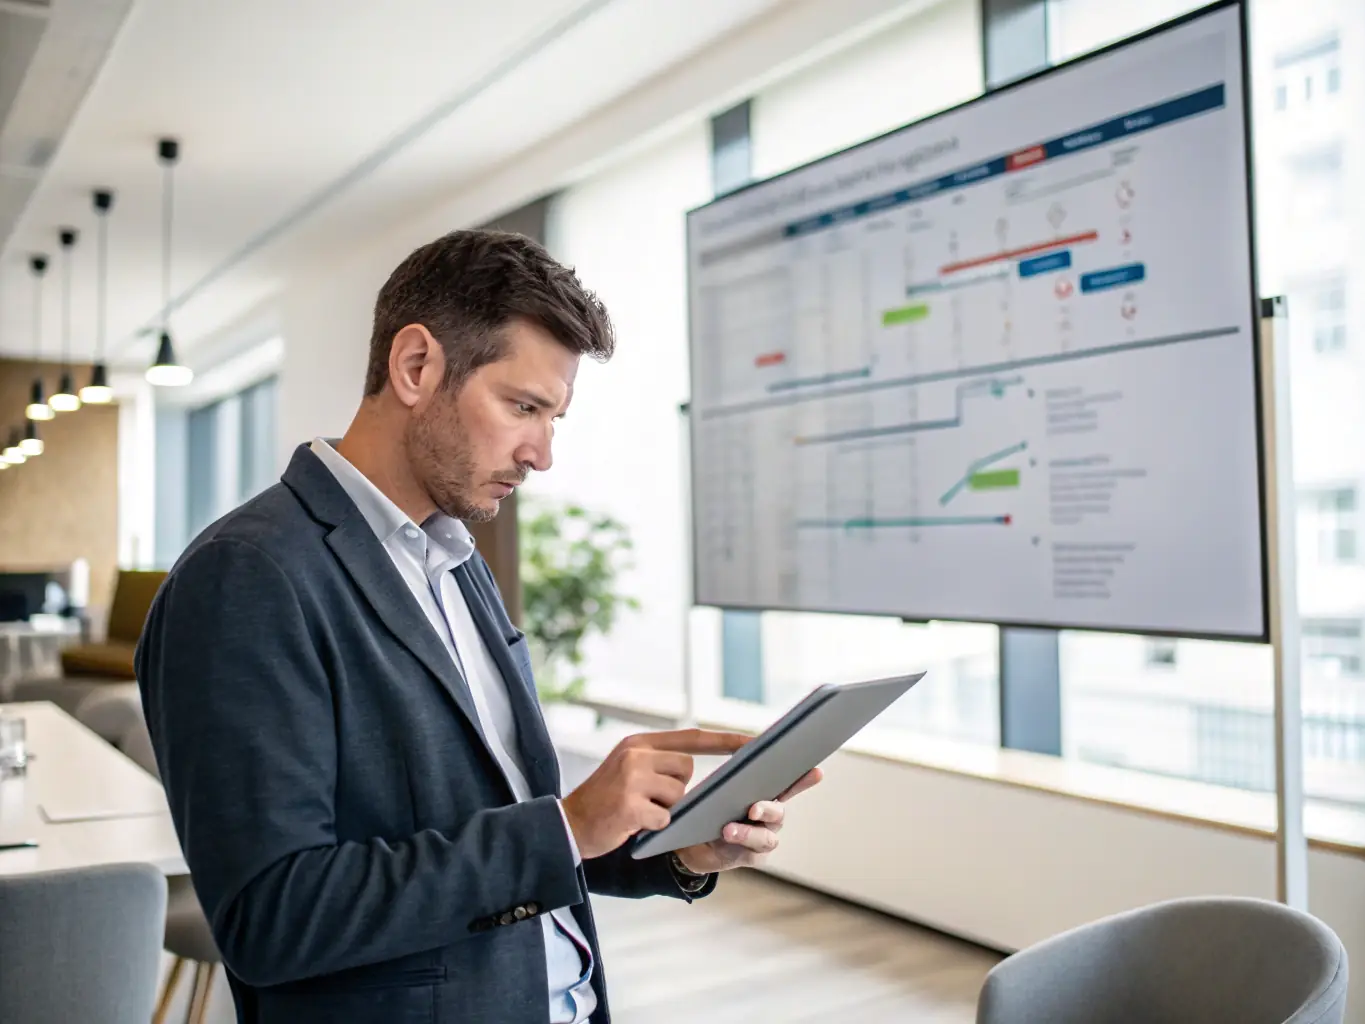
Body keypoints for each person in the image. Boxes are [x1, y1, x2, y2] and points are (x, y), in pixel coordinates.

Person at [135, 229, 821, 1024]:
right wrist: (564, 828)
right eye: (522, 406)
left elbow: (500, 835)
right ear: (416, 366)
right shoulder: (246, 576)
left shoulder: (453, 558)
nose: (541, 454)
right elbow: (273, 919)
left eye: (553, 417)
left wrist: (680, 853)